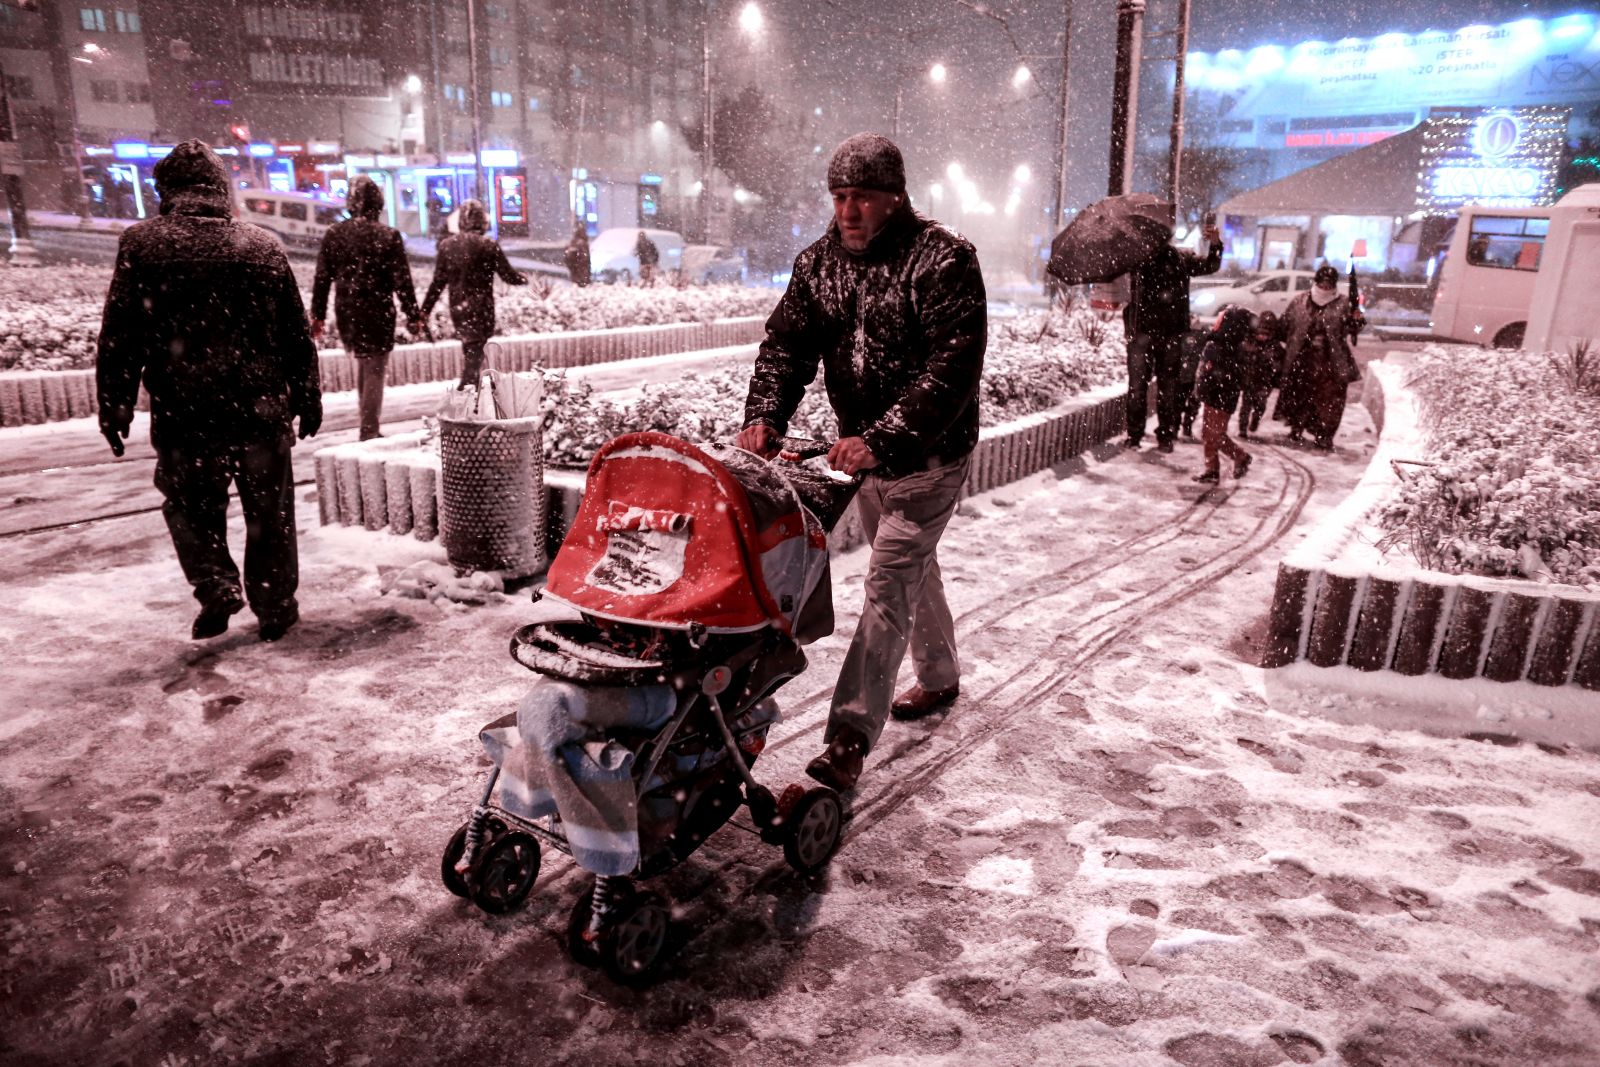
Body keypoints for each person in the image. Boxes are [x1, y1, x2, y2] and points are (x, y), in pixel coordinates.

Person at [735, 132, 986, 792]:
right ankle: (940, 675)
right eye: (840, 197)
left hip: (929, 458)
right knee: (908, 572)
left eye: (864, 199)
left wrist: (883, 437)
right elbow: (786, 347)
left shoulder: (942, 262)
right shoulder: (820, 266)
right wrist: (765, 410)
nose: (849, 211)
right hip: (869, 457)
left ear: (895, 198)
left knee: (888, 582)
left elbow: (949, 371)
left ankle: (849, 734)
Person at [95, 140, 321, 642]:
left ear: (166, 191)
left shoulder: (143, 245)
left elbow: (121, 335)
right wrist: (307, 395)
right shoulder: (262, 247)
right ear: (221, 190)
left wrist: (115, 404)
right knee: (270, 513)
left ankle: (215, 581)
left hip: (185, 412)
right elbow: (294, 334)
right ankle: (275, 605)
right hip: (260, 410)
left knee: (189, 505)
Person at [310, 176, 422, 441]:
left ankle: (367, 423)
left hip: (347, 311)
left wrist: (318, 315)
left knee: (364, 365)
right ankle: (369, 429)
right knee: (375, 368)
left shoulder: (334, 234)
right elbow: (402, 280)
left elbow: (322, 277)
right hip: (377, 310)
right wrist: (413, 315)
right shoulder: (388, 236)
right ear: (378, 204)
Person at [1122, 221, 1222, 452]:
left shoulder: (1177, 258)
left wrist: (1215, 244)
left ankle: (1158, 435)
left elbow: (1210, 265)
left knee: (1160, 388)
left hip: (1164, 334)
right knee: (1147, 388)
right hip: (1146, 334)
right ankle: (1145, 435)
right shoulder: (1138, 259)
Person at [420, 199, 527, 391]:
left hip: (459, 308)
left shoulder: (447, 246)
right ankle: (468, 391)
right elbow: (508, 275)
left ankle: (473, 392)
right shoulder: (489, 246)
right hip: (482, 308)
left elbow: (437, 283)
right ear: (482, 221)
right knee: (475, 353)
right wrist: (523, 279)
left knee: (471, 350)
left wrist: (424, 310)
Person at [1273, 264, 1364, 450]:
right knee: (1299, 395)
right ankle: (1296, 427)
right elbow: (1284, 327)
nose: (1324, 288)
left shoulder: (1344, 304)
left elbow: (1354, 327)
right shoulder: (1299, 302)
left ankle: (1324, 435)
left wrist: (1357, 319)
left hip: (1331, 363)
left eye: (1328, 285)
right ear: (1315, 282)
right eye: (1321, 284)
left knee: (1329, 401)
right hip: (1302, 360)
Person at [1190, 305, 1254, 484]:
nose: (1216, 322)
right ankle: (1212, 469)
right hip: (1218, 396)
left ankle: (1239, 456)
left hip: (1220, 397)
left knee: (1214, 435)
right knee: (1209, 433)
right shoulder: (1225, 346)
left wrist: (1204, 388)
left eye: (1221, 319)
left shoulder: (1222, 348)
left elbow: (1213, 373)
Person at [1236, 309, 1283, 440]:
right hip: (1249, 380)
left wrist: (1274, 367)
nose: (1262, 336)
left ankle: (1255, 420)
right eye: (1260, 333)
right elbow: (1240, 358)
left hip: (1264, 382)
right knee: (1246, 406)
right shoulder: (1248, 342)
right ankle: (1242, 429)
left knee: (1260, 406)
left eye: (1266, 334)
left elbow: (1279, 365)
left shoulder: (1274, 348)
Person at [564, 221, 591, 287]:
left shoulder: (573, 242)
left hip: (576, 272)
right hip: (581, 272)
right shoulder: (581, 243)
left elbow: (567, 258)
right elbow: (585, 259)